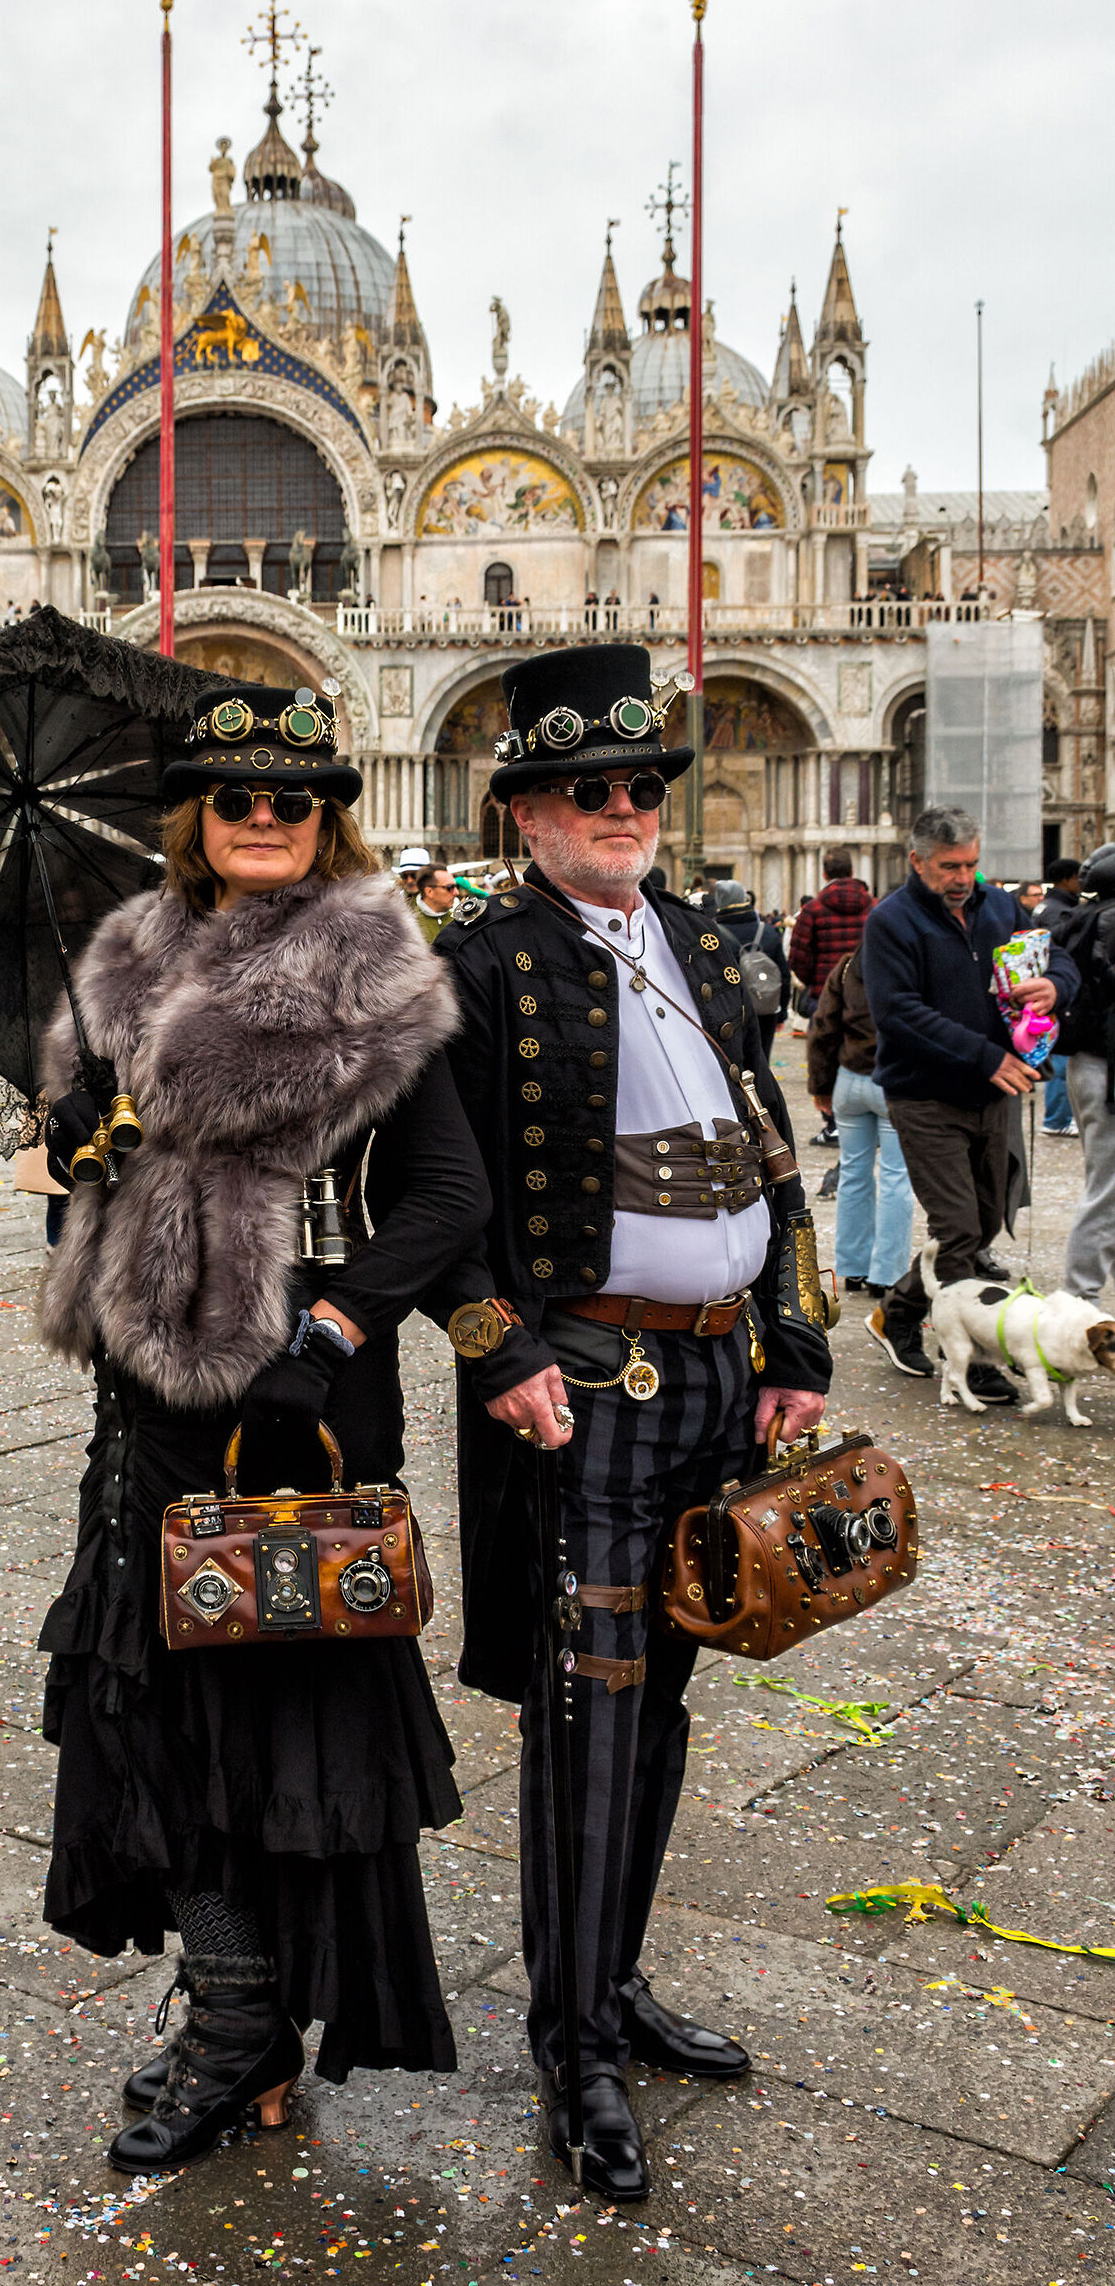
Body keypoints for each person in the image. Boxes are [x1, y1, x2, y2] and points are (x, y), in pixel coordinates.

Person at [35, 679, 489, 2174]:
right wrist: (79, 1136)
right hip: (144, 1405)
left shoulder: (379, 974)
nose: (266, 822)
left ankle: (247, 2030)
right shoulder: (122, 963)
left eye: (294, 800)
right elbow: (103, 1171)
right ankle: (234, 2007)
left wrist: (335, 1327)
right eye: (238, 800)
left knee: (274, 1736)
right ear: (199, 819)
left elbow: (446, 1199)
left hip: (296, 1413)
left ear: (329, 817)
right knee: (154, 1715)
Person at [432, 643, 831, 2198]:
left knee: (664, 1699)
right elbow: (433, 1195)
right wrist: (497, 1346)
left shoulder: (720, 947)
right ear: (527, 812)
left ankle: (614, 1984)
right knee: (588, 1717)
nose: (623, 809)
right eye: (587, 790)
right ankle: (573, 2042)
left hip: (725, 1380)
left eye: (639, 785)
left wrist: (794, 1332)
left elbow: (773, 1157)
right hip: (585, 1393)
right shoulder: (480, 965)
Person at [860, 806, 1079, 1385]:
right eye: (949, 866)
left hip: (994, 1092)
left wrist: (1054, 985)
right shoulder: (891, 921)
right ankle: (977, 1358)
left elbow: (1055, 953)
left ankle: (895, 1315)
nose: (963, 878)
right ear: (917, 861)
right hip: (924, 1095)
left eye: (972, 865)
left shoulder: (999, 905)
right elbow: (899, 1013)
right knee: (957, 1228)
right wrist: (988, 1056)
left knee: (983, 1223)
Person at [807, 943, 913, 1295]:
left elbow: (823, 1025)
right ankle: (887, 1273)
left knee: (853, 1173)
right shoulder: (910, 963)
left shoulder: (850, 964)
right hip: (895, 1079)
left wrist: (820, 1084)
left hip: (849, 1080)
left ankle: (852, 1268)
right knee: (896, 1178)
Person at [1056, 843, 1115, 1299]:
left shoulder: (1082, 919)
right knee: (1107, 1189)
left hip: (1088, 1063)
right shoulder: (1110, 924)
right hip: (1107, 1067)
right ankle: (1082, 1297)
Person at [787, 851, 875, 1131]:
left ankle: (833, 1122)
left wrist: (816, 982)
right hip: (869, 996)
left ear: (825, 874)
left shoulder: (813, 910)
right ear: (852, 871)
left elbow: (798, 958)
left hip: (823, 995)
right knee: (866, 1055)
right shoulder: (875, 908)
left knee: (825, 1053)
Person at [706, 878, 790, 1062]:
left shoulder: (712, 934)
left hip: (728, 1011)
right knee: (762, 1062)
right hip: (765, 1008)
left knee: (731, 1063)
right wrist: (782, 1012)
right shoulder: (768, 932)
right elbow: (784, 975)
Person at [1035, 858, 1084, 1134]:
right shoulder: (1060, 911)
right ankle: (1056, 1118)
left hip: (1049, 987)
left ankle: (1058, 1117)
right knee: (1062, 1057)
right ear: (1067, 879)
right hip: (1056, 990)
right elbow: (1061, 950)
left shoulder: (1050, 905)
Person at [412, 864, 458, 944]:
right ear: (429, 892)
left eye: (457, 886)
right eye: (450, 887)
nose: (456, 892)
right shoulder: (410, 926)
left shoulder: (458, 921)